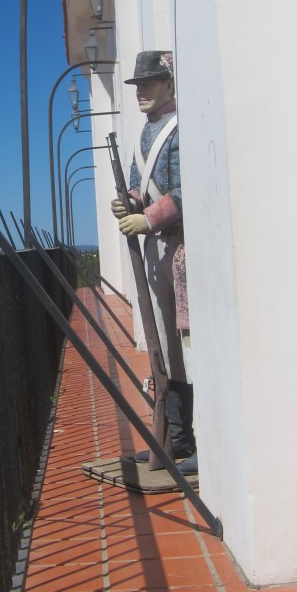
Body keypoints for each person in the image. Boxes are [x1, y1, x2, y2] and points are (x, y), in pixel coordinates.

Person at [111, 50, 197, 474]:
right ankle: (176, 438)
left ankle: (189, 438)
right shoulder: (146, 135)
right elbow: (137, 184)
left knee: (189, 341)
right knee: (167, 344)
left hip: (181, 249)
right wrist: (125, 202)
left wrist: (145, 217)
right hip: (159, 250)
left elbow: (184, 190)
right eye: (138, 84)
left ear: (168, 84)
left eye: (149, 82)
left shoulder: (180, 129)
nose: (141, 90)